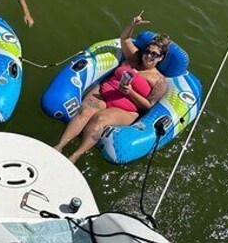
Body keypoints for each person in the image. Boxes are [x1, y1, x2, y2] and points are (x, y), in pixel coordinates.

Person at [54, 12, 169, 163]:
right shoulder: (134, 57)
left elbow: (149, 105)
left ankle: (75, 156)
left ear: (161, 58)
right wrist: (133, 24)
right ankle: (59, 146)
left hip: (126, 109)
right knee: (85, 111)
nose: (149, 56)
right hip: (104, 94)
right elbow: (124, 39)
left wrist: (130, 92)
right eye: (147, 51)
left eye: (154, 54)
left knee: (99, 119)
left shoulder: (159, 80)